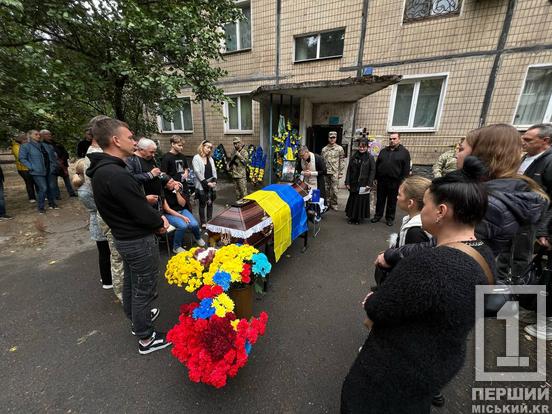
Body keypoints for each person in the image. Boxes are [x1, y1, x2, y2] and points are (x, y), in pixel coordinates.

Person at [342, 157, 494, 414]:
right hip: (437, 367)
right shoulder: (484, 255)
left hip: (394, 373)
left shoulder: (429, 264)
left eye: (427, 204)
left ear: (441, 211)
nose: (422, 209)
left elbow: (379, 308)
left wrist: (371, 300)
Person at [87, 118, 171, 355]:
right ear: (115, 140)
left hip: (124, 237)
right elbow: (139, 210)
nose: (134, 141)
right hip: (137, 240)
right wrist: (159, 223)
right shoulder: (115, 173)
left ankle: (137, 321)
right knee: (143, 288)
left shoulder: (104, 170)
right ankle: (146, 337)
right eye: (131, 137)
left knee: (132, 284)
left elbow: (126, 205)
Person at [456, 124, 548, 281]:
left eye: (461, 149)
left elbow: (457, 258)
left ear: (479, 155)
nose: (456, 155)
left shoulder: (485, 202)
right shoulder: (486, 193)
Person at [72, 157, 112, 290]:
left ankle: (107, 275)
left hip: (102, 220)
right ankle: (107, 280)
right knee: (105, 253)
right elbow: (97, 207)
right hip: (99, 223)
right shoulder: (85, 190)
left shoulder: (90, 186)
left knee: (108, 252)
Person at [372, 132, 411, 226]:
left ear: (399, 139)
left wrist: (403, 183)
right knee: (380, 199)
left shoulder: (404, 152)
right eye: (390, 139)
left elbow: (406, 169)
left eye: (394, 139)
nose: (392, 141)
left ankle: (389, 218)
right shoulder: (383, 151)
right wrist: (375, 178)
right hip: (382, 180)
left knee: (392, 200)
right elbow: (377, 165)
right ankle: (378, 215)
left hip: (395, 181)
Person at [19, 129, 59, 213]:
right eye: (36, 134)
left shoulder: (44, 145)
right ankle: (41, 207)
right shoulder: (26, 146)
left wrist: (54, 165)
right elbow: (22, 158)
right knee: (43, 188)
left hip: (49, 169)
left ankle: (52, 204)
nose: (38, 136)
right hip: (37, 171)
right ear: (30, 136)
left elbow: (52, 156)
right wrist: (31, 167)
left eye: (39, 134)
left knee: (50, 187)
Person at [162, 179, 205, 253]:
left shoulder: (178, 189)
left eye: (173, 181)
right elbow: (168, 209)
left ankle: (198, 238)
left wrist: (177, 192)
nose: (173, 183)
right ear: (165, 186)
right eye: (170, 183)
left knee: (194, 224)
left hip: (182, 210)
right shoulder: (162, 193)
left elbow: (182, 204)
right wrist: (182, 217)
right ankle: (176, 247)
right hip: (170, 214)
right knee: (183, 225)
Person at [344, 138, 375, 224]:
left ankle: (358, 218)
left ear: (367, 147)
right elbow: (349, 170)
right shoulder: (354, 156)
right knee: (353, 199)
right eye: (360, 147)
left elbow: (372, 171)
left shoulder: (370, 157)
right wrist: (347, 182)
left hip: (364, 183)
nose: (361, 148)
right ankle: (351, 217)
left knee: (360, 200)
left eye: (363, 147)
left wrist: (369, 184)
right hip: (353, 182)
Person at [40, 129, 77, 199]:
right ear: (42, 136)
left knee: (67, 180)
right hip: (53, 166)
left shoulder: (57, 143)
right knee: (54, 183)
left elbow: (65, 153)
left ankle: (71, 193)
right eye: (47, 134)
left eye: (50, 134)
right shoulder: (42, 145)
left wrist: (62, 160)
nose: (49, 135)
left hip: (63, 165)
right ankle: (57, 196)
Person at [192, 140, 217, 227]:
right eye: (207, 147)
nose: (209, 149)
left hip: (211, 184)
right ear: (202, 146)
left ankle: (210, 220)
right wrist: (206, 183)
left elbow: (214, 171)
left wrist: (214, 181)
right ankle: (203, 222)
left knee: (210, 203)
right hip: (202, 184)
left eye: (210, 148)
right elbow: (197, 172)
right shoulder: (196, 158)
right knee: (202, 204)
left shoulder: (210, 158)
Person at [322, 131, 345, 211]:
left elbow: (342, 160)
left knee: (335, 190)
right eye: (330, 137)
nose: (332, 139)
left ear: (336, 138)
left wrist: (341, 172)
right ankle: (327, 203)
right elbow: (322, 161)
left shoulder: (339, 149)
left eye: (333, 137)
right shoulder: (324, 149)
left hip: (335, 172)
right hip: (326, 172)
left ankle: (334, 204)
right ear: (328, 138)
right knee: (326, 189)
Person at [10, 133, 36, 203]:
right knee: (29, 183)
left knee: (35, 181)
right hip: (23, 169)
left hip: (30, 167)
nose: (27, 140)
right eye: (25, 139)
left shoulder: (25, 146)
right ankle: (32, 198)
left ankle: (40, 195)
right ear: (21, 140)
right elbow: (21, 157)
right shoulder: (16, 147)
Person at [227, 136, 249, 201]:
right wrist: (229, 166)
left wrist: (239, 156)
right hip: (234, 175)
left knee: (244, 193)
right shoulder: (233, 152)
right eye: (234, 143)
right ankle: (239, 207)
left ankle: (245, 207)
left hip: (241, 176)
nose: (235, 145)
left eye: (237, 143)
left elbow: (246, 163)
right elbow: (232, 162)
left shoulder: (244, 152)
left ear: (240, 143)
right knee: (237, 194)